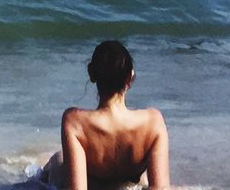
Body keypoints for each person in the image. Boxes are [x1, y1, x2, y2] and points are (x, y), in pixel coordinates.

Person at [38, 40, 169, 189]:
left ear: (91, 74)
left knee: (56, 160)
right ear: (130, 78)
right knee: (143, 180)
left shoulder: (75, 121)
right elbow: (161, 188)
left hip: (93, 182)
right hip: (130, 180)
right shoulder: (153, 121)